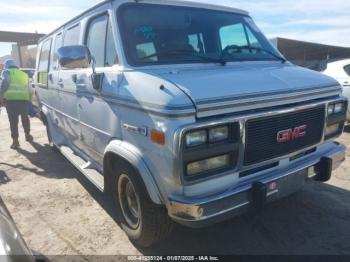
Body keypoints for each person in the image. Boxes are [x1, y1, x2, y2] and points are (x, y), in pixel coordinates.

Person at [0, 59, 33, 149]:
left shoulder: (6, 72)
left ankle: (15, 141)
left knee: (13, 121)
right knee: (25, 118)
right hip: (24, 100)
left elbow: (4, 83)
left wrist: (1, 96)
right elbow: (30, 89)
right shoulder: (24, 74)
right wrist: (29, 99)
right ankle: (28, 135)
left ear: (7, 66)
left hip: (11, 101)